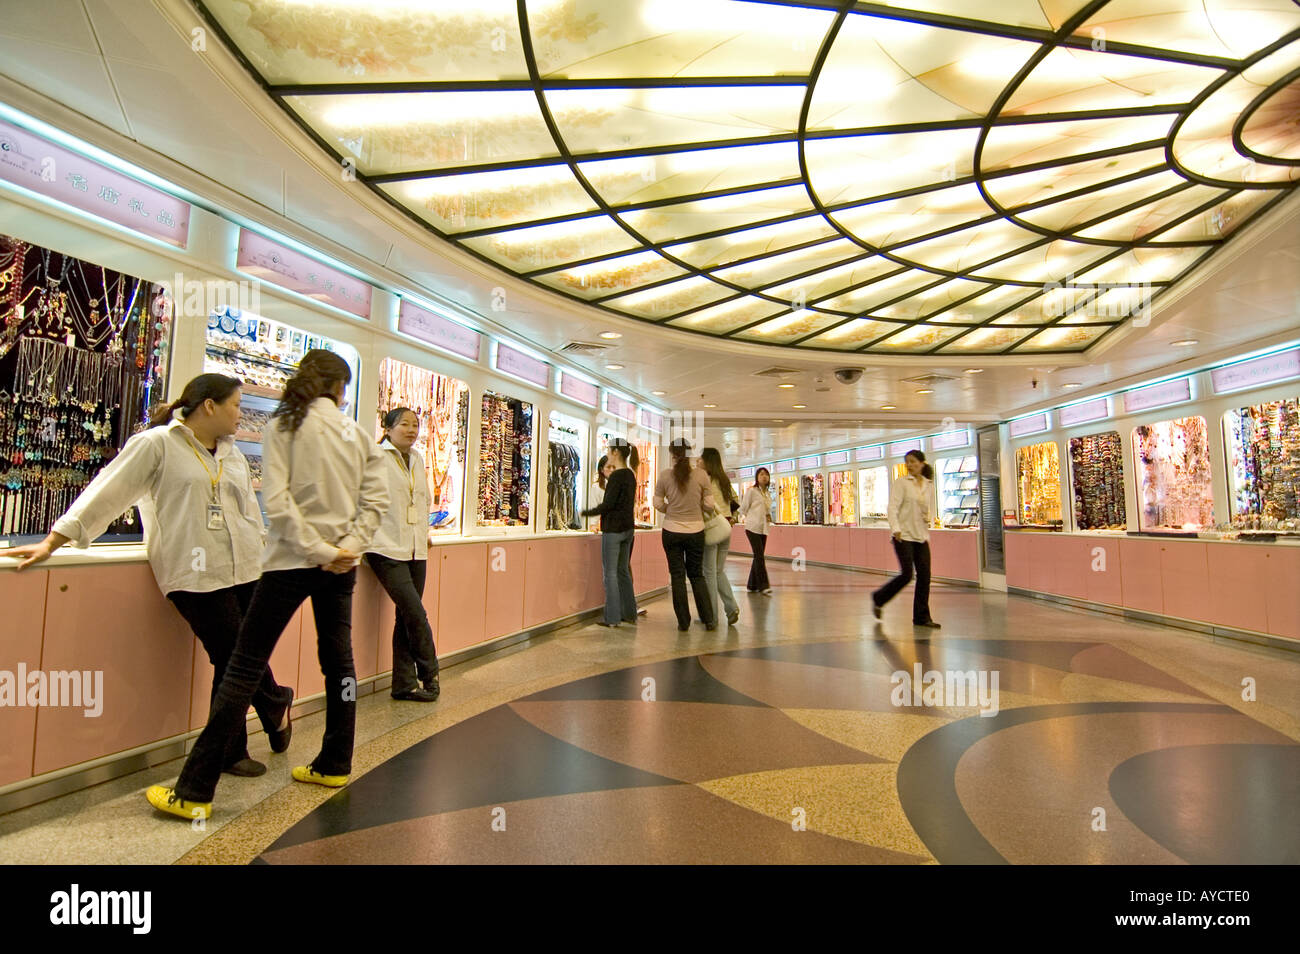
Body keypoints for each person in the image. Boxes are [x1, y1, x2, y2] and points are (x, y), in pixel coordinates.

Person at [1, 373, 294, 778]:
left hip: (244, 566)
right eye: (235, 405)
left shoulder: (232, 453)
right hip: (192, 573)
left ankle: (236, 744)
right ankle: (273, 701)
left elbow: (245, 512)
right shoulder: (155, 444)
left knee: (237, 659)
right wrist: (53, 541)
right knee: (233, 655)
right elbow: (107, 491)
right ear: (209, 405)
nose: (239, 413)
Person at [146, 350, 388, 820]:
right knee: (340, 664)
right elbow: (376, 501)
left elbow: (276, 503)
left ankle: (195, 790)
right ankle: (335, 762)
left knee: (243, 667)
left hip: (288, 562)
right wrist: (346, 548)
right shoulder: (357, 435)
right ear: (340, 389)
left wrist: (316, 550)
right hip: (341, 565)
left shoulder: (283, 427)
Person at [366, 407, 440, 703]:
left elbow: (421, 502)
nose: (411, 430)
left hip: (415, 548)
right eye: (404, 424)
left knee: (405, 616)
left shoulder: (418, 459)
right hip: (384, 546)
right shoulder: (375, 459)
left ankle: (403, 684)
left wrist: (424, 532)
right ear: (387, 427)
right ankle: (430, 672)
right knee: (414, 611)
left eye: (415, 425)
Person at [654, 438, 717, 632]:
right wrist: (695, 506)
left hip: (671, 530)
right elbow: (710, 505)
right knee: (697, 574)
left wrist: (671, 509)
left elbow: (657, 503)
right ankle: (709, 619)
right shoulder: (701, 475)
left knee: (677, 576)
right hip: (695, 531)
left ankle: (683, 621)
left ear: (672, 454)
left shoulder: (665, 476)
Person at [872, 449, 940, 628]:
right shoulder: (901, 483)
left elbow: (928, 509)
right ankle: (879, 598)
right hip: (903, 535)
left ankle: (922, 617)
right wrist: (896, 529)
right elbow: (892, 508)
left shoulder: (928, 484)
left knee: (925, 576)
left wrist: (929, 522)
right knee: (907, 574)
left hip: (921, 536)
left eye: (913, 462)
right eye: (907, 462)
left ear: (922, 463)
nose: (910, 465)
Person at [580, 438, 636, 628]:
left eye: (609, 450)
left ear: (616, 453)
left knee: (610, 573)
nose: (608, 453)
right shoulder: (630, 475)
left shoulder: (617, 476)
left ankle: (612, 617)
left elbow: (608, 505)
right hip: (628, 529)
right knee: (623, 572)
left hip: (613, 530)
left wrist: (586, 512)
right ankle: (630, 613)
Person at [699, 447, 740, 626]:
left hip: (712, 529)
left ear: (707, 461)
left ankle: (711, 617)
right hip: (726, 529)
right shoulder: (724, 481)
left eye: (700, 459)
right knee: (718, 571)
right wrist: (732, 519)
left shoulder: (705, 481)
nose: (698, 462)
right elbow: (736, 502)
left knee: (709, 573)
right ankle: (731, 607)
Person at [739, 466, 773, 595]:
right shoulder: (752, 491)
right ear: (757, 478)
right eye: (761, 475)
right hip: (752, 527)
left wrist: (767, 515)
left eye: (766, 474)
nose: (764, 477)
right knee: (759, 556)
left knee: (758, 556)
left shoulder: (767, 493)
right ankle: (763, 585)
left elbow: (767, 510)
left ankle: (752, 584)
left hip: (763, 528)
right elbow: (743, 508)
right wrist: (750, 517)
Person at [587, 454, 611, 531]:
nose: (611, 470)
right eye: (608, 467)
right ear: (601, 469)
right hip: (607, 527)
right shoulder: (597, 487)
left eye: (614, 467)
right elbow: (595, 506)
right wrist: (593, 524)